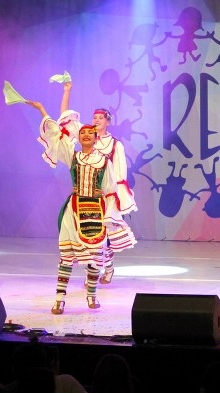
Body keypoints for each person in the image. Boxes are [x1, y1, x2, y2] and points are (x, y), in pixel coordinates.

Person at [26, 99, 117, 314]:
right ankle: (59, 299)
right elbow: (56, 134)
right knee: (66, 257)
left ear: (96, 138)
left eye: (90, 133)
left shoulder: (104, 162)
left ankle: (91, 295)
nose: (85, 135)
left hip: (96, 210)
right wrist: (42, 110)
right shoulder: (73, 156)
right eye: (82, 133)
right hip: (74, 210)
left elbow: (110, 190)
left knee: (95, 256)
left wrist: (110, 217)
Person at [61, 80, 137, 284]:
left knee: (105, 235)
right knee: (86, 235)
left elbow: (119, 174)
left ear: (108, 121)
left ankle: (105, 269)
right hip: (86, 196)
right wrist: (67, 91)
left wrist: (115, 199)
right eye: (94, 117)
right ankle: (96, 270)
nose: (95, 120)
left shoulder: (115, 145)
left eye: (100, 117)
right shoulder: (86, 136)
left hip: (105, 196)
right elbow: (65, 119)